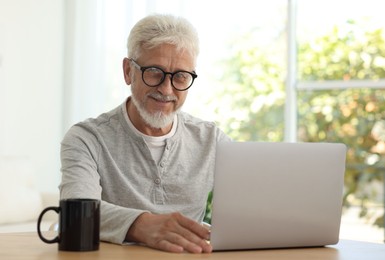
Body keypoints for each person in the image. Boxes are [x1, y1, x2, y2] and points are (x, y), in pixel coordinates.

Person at [59, 14, 230, 254]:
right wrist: (143, 226)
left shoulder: (213, 140)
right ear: (129, 71)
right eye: (154, 72)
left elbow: (252, 208)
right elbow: (76, 212)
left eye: (180, 76)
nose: (166, 89)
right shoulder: (86, 139)